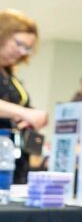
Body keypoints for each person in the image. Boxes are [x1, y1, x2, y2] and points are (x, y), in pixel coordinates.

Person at [0, 10, 48, 184]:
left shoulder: (8, 74)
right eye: (19, 44)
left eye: (27, 48)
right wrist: (23, 112)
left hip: (13, 161)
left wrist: (26, 117)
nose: (22, 52)